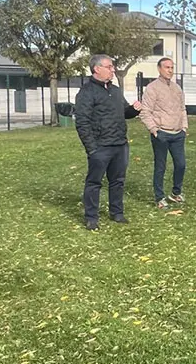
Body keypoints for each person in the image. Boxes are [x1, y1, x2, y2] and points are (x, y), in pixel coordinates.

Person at [74, 54, 142, 231]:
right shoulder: (87, 92)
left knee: (118, 180)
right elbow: (82, 122)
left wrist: (133, 110)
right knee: (94, 182)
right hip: (100, 147)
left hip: (120, 144)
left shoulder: (116, 90)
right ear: (97, 69)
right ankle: (91, 217)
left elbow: (124, 113)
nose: (113, 70)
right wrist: (92, 149)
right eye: (109, 67)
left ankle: (117, 213)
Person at [139, 57, 188, 209]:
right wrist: (154, 130)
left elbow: (182, 109)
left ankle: (175, 193)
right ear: (159, 69)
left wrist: (184, 127)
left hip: (178, 133)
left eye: (172, 67)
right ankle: (159, 197)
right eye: (167, 67)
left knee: (181, 164)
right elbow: (145, 111)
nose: (170, 70)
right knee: (160, 166)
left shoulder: (177, 88)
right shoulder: (152, 88)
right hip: (161, 134)